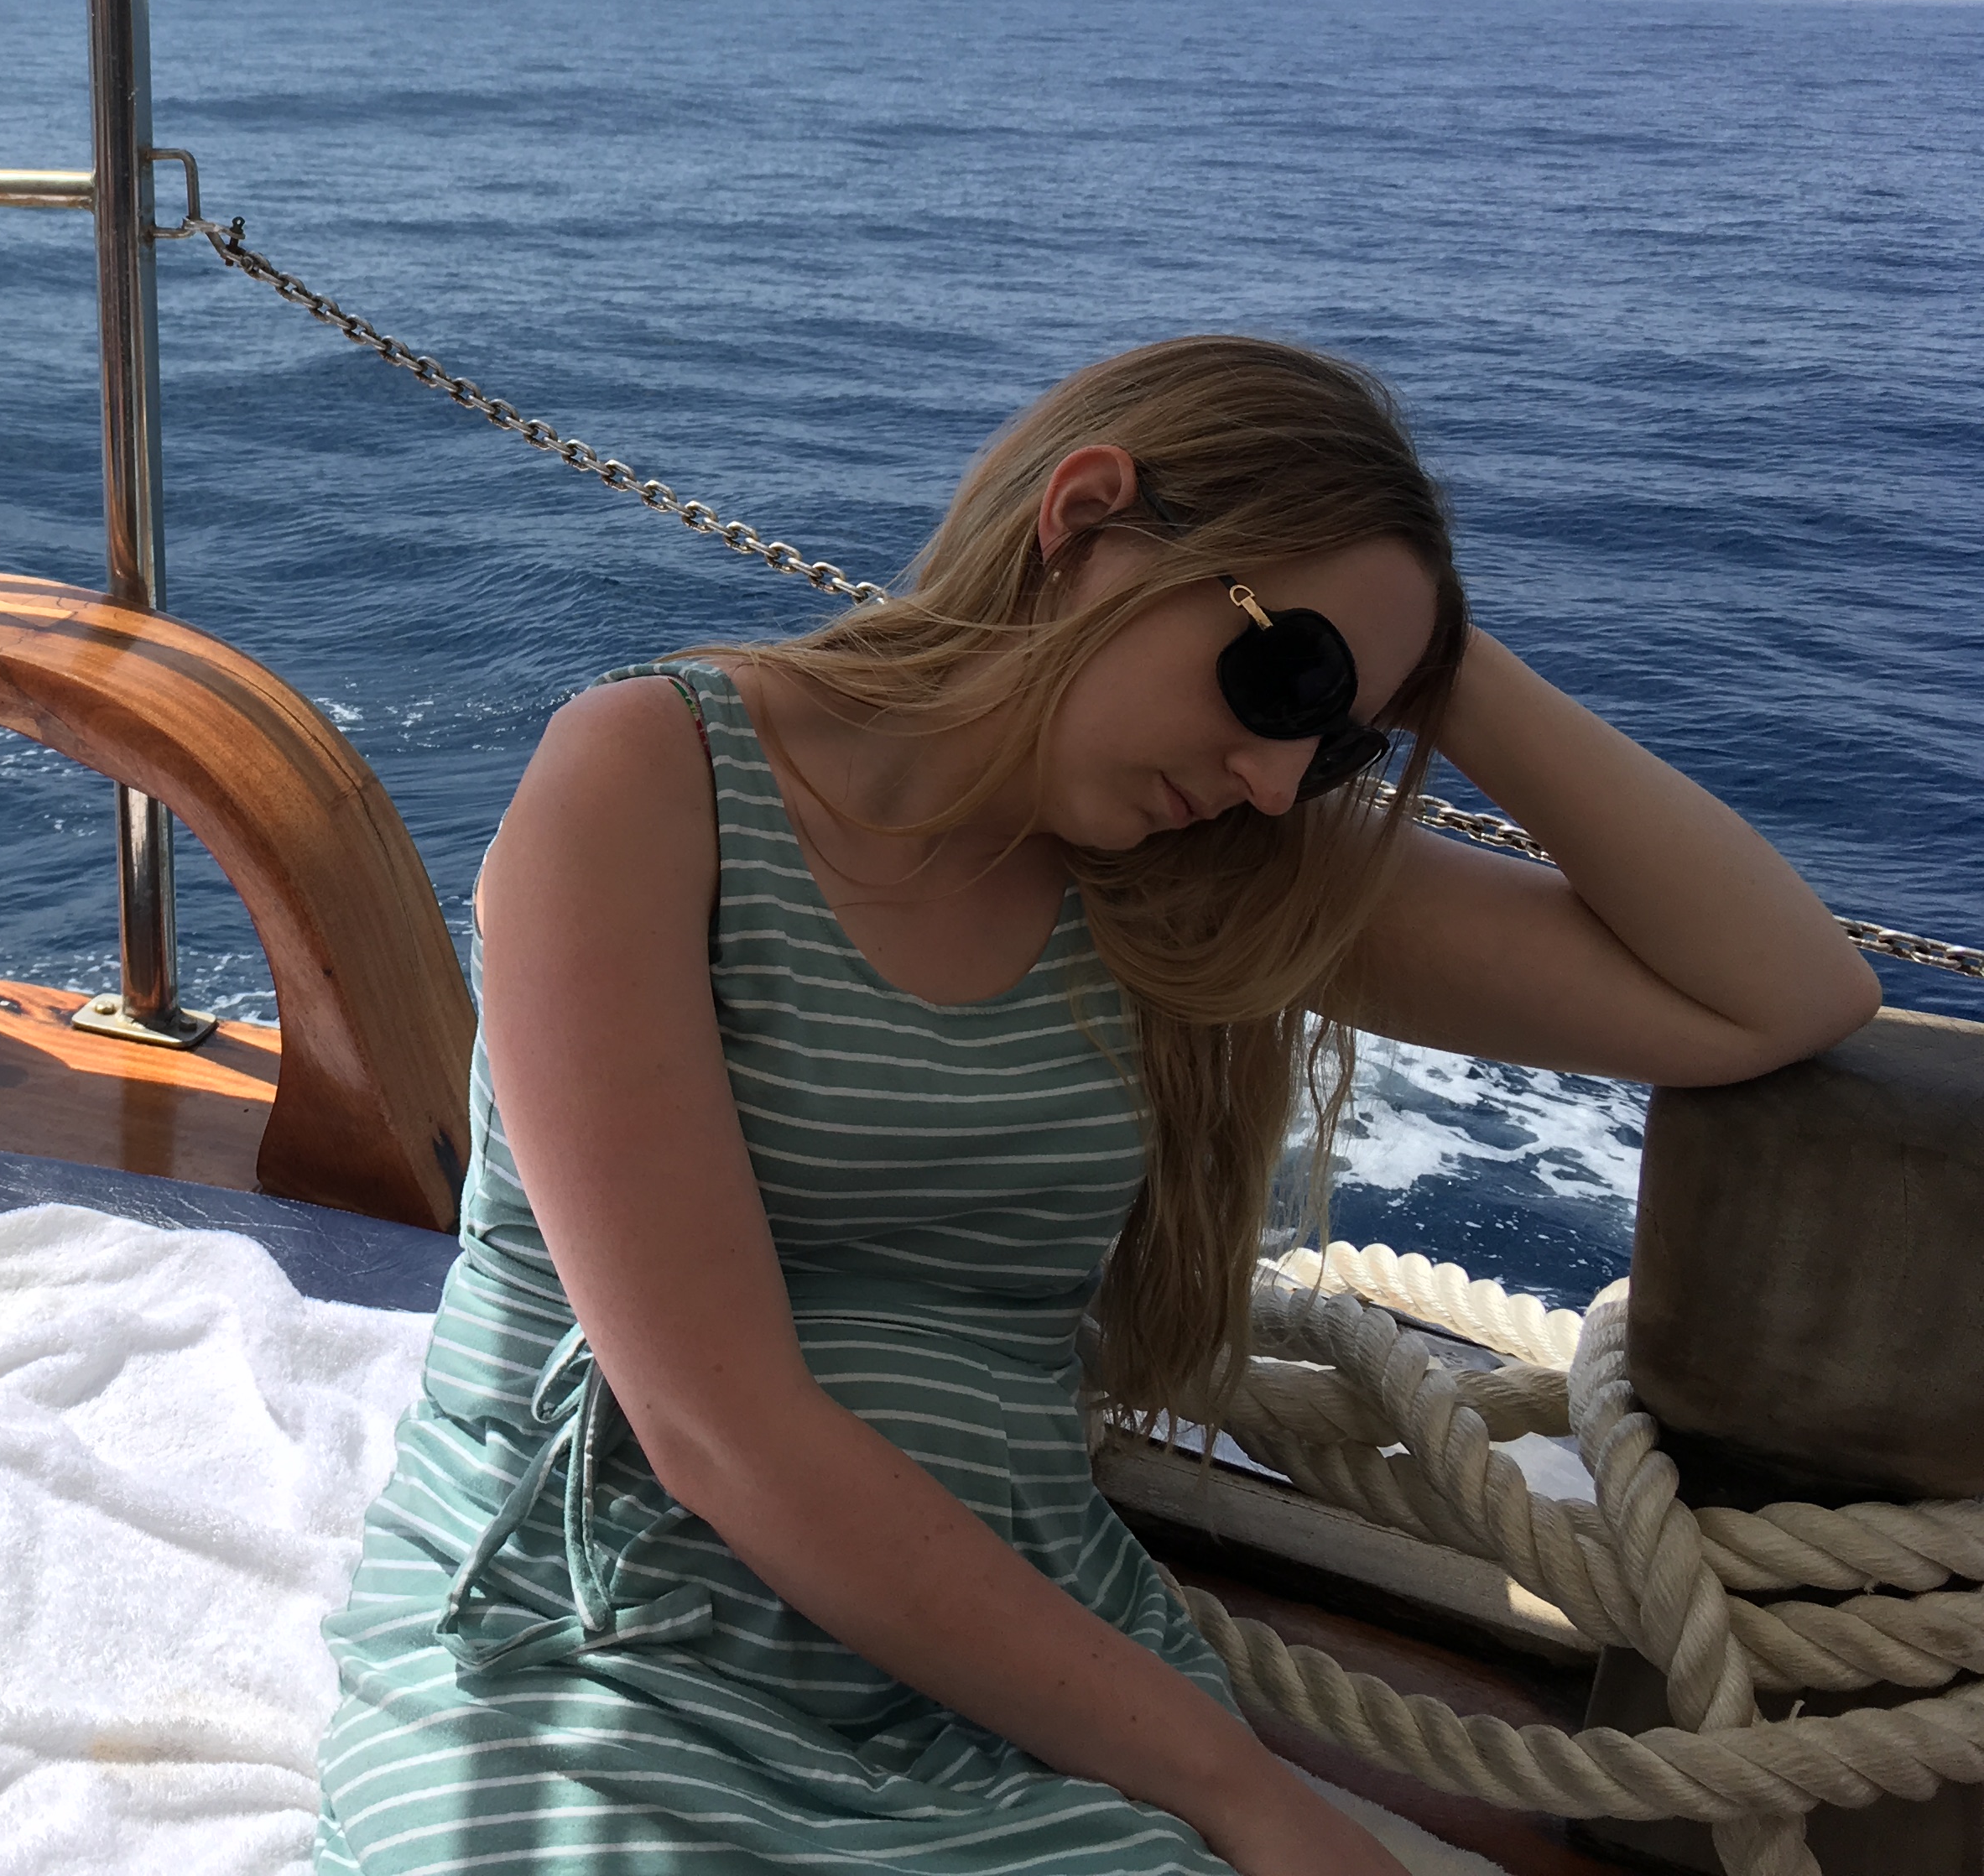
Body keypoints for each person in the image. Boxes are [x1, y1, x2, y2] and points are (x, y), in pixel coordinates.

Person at [312, 336, 1879, 1876]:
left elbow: (1781, 993)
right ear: (1082, 521)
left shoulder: (1215, 880)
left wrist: (1436, 668)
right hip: (606, 1636)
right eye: (1284, 676)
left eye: (1337, 740)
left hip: (1015, 1677)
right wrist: (1246, 1796)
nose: (1279, 776)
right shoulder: (654, 777)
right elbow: (722, 1429)